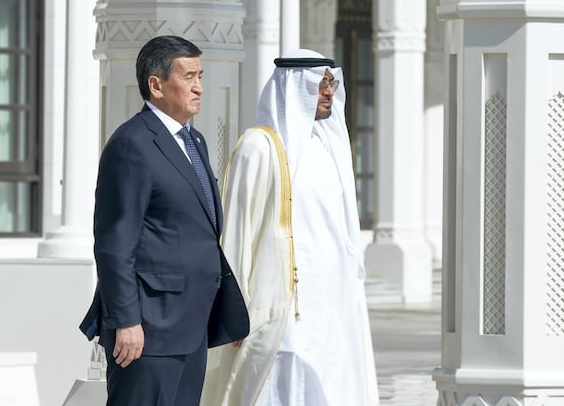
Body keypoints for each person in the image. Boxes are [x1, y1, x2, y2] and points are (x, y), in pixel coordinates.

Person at [202, 49, 379, 405]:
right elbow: (236, 233)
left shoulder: (328, 145)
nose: (329, 91)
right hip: (279, 306)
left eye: (331, 82)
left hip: (330, 302)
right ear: (294, 88)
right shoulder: (258, 148)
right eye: (320, 84)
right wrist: (232, 309)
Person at [80, 35, 248, 406]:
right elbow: (113, 243)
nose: (199, 87)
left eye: (200, 76)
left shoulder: (195, 141)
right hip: (148, 329)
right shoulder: (132, 144)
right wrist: (126, 321)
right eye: (188, 77)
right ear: (156, 85)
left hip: (192, 326)